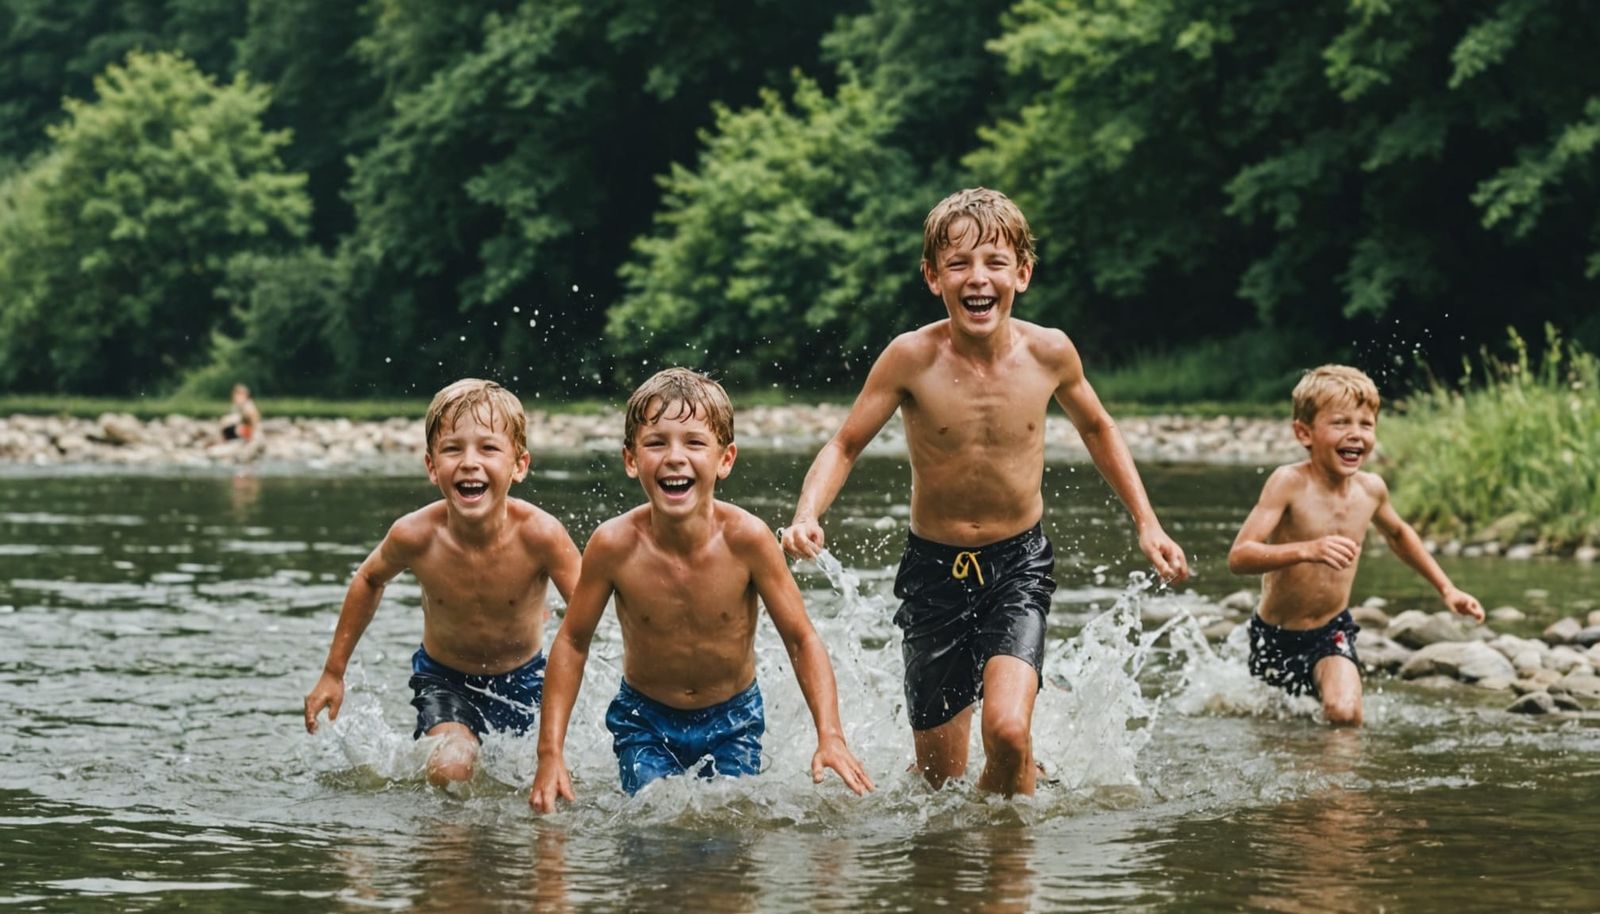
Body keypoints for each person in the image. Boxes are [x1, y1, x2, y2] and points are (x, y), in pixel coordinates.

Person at [780, 187, 1189, 797]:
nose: (979, 278)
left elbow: (1099, 428)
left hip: (1017, 565)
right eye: (959, 264)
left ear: (1021, 273)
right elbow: (843, 444)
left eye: (995, 263)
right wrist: (807, 512)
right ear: (932, 276)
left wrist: (1147, 522)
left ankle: (1009, 870)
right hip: (933, 575)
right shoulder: (910, 358)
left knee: (1007, 731)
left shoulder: (1049, 352)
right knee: (940, 784)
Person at [530, 368, 873, 810]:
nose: (675, 457)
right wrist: (550, 753)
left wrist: (831, 735)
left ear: (725, 459)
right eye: (656, 443)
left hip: (733, 720)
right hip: (644, 720)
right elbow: (574, 642)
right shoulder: (612, 545)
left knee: (726, 837)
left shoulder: (748, 540)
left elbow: (801, 638)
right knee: (652, 829)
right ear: (631, 459)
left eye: (694, 442)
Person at [303, 378, 581, 785]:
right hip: (444, 679)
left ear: (519, 465)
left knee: (527, 783)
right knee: (450, 770)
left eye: (488, 448)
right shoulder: (416, 535)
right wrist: (333, 671)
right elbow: (369, 578)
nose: (469, 462)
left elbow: (587, 611)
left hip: (527, 679)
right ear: (432, 467)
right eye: (453, 449)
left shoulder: (542, 535)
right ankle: (448, 846)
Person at [1227, 364, 1484, 725]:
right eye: (1340, 423)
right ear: (1304, 433)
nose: (1356, 434)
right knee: (1277, 729)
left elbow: (1398, 534)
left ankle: (1340, 783)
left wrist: (1447, 589)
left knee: (1344, 714)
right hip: (1274, 637)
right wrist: (1307, 549)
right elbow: (1239, 556)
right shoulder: (1288, 483)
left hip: (1331, 630)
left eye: (1365, 424)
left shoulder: (1371, 490)